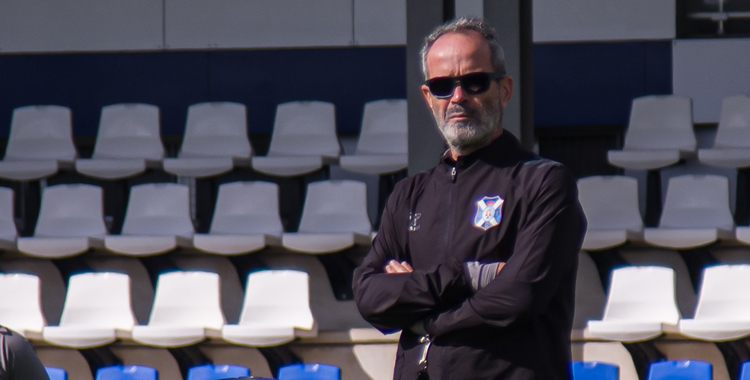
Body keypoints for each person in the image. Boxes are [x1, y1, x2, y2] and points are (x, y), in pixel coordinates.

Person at [352, 17, 586, 380]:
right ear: (429, 99)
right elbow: (370, 296)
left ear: (504, 89)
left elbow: (518, 297)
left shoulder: (544, 182)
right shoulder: (409, 194)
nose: (458, 97)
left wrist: (424, 319)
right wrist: (470, 276)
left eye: (474, 82)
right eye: (443, 86)